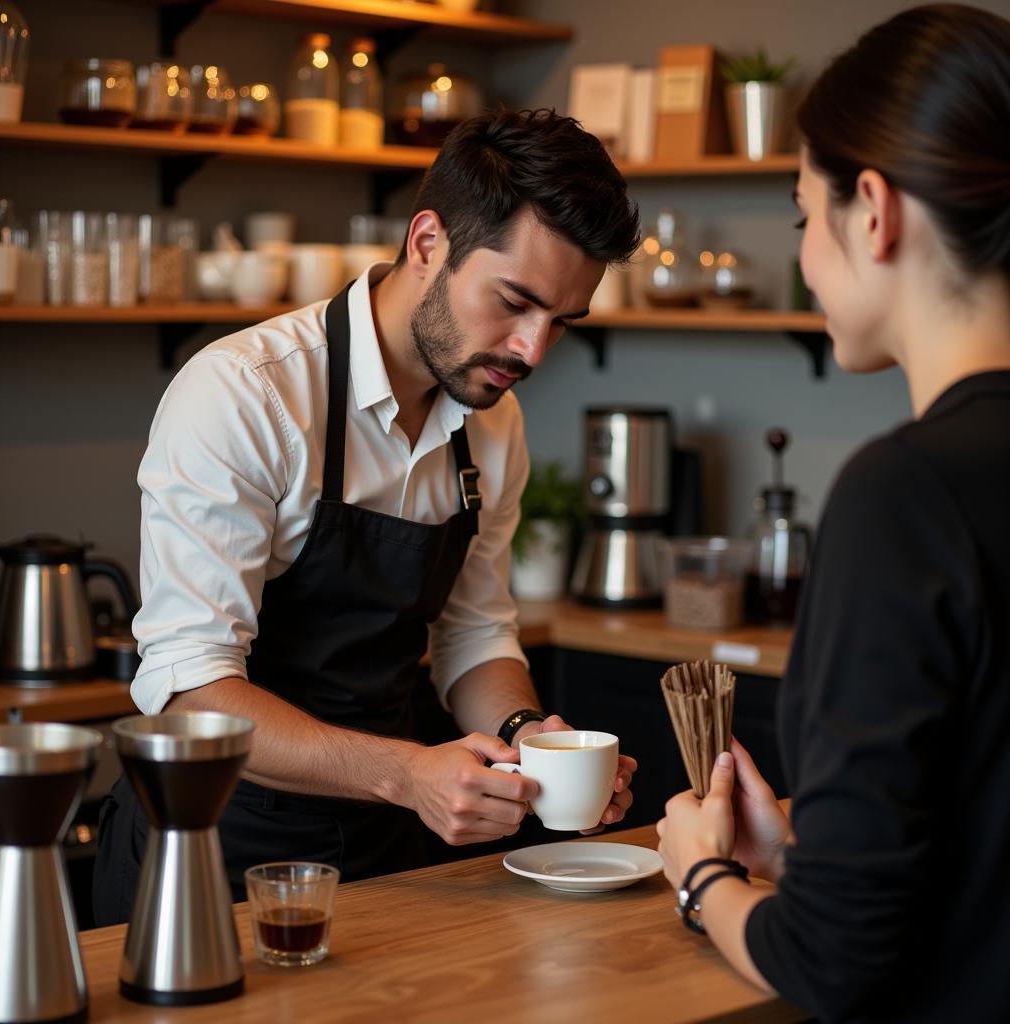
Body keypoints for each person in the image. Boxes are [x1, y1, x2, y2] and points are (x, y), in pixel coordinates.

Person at [94, 109, 640, 925]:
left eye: (562, 321)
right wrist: (406, 772)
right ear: (428, 243)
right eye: (516, 302)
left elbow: (473, 635)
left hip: (388, 853)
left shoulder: (492, 421)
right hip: (214, 847)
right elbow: (192, 690)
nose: (533, 351)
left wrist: (527, 737)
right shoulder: (246, 394)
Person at [656, 5, 1010, 1022]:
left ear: (872, 209)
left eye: (802, 213)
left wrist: (700, 877)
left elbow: (834, 958)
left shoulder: (901, 494)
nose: (806, 253)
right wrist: (814, 848)